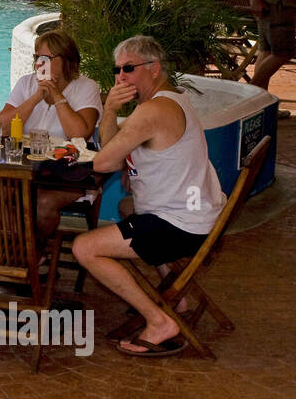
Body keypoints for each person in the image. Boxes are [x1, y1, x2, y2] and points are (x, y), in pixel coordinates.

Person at [72, 36, 227, 357]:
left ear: (154, 69)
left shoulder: (153, 110)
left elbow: (103, 161)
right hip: (201, 213)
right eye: (117, 70)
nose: (120, 77)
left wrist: (110, 109)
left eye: (129, 69)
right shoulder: (173, 99)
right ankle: (176, 293)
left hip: (182, 226)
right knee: (128, 205)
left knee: (85, 248)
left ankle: (159, 321)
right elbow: (116, 153)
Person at [0, 30, 103, 235]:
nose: (39, 64)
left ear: (66, 60)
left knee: (43, 203)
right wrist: (36, 97)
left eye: (46, 58)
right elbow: (2, 127)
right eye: (37, 57)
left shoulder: (85, 87)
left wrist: (56, 95)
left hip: (66, 172)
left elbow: (79, 134)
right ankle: (23, 247)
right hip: (25, 167)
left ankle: (34, 251)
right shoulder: (26, 83)